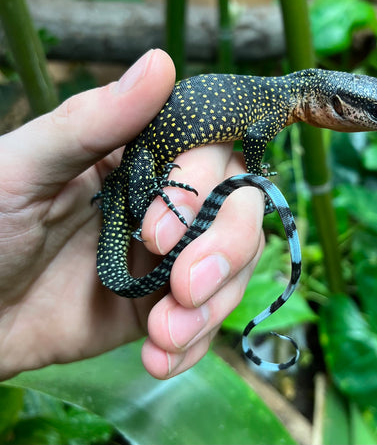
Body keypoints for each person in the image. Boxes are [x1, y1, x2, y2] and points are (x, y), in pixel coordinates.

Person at [0, 49, 265, 381]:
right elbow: (254, 137)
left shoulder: (273, 99)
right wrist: (257, 174)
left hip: (126, 183)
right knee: (158, 204)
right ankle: (143, 205)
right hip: (134, 174)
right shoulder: (273, 105)